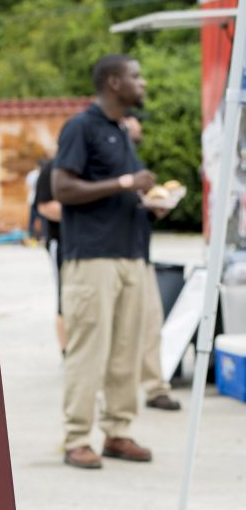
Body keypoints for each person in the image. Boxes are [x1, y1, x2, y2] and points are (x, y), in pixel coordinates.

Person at [53, 54, 156, 469]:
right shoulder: (81, 127)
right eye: (135, 76)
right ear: (114, 83)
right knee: (88, 350)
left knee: (127, 352)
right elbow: (63, 187)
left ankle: (118, 431)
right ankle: (77, 438)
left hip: (130, 254)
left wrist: (147, 201)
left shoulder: (121, 131)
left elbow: (116, 191)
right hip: (92, 257)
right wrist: (126, 182)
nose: (142, 83)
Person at [122, 114, 181, 411]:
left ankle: (155, 386)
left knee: (150, 323)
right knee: (121, 330)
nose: (139, 128)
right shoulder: (101, 155)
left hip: (139, 252)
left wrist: (155, 207)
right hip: (110, 256)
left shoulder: (131, 157)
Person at [34, 156, 67, 353]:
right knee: (64, 298)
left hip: (93, 247)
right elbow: (44, 206)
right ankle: (66, 349)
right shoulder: (52, 168)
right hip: (60, 241)